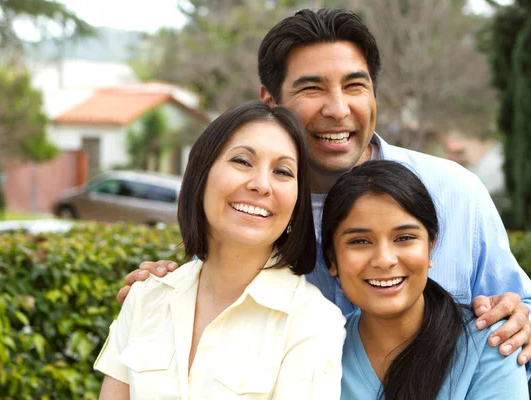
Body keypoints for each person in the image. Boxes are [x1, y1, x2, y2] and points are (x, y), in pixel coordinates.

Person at [119, 8, 531, 364]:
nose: (338, 109)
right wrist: (165, 288)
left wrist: (524, 320)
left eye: (355, 86)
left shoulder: (455, 192)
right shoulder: (255, 210)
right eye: (312, 88)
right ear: (271, 101)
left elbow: (518, 311)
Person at [95, 102, 345, 399]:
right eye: (242, 161)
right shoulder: (146, 296)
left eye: (282, 171)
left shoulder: (312, 321)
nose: (261, 185)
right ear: (201, 175)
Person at [320, 160, 529, 400]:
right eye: (359, 241)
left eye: (404, 237)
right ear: (332, 259)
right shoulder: (319, 349)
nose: (385, 260)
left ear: (430, 246)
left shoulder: (489, 343)